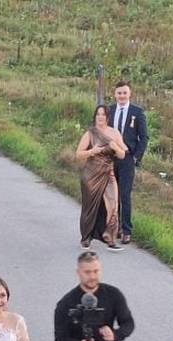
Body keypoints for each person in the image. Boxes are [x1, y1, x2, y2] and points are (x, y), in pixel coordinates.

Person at [76, 105, 126, 250]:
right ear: (95, 116)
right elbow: (78, 154)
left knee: (113, 204)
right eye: (98, 114)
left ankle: (110, 238)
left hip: (108, 173)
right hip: (91, 174)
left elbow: (122, 154)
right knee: (90, 207)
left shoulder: (114, 133)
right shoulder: (90, 134)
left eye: (103, 114)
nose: (100, 117)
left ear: (107, 117)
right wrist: (92, 151)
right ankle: (86, 237)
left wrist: (116, 148)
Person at [107, 81, 148, 244]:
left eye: (124, 93)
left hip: (128, 158)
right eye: (119, 93)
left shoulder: (137, 112)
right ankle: (114, 226)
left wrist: (136, 157)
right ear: (115, 95)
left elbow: (144, 137)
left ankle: (126, 229)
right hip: (111, 158)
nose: (122, 96)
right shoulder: (109, 110)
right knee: (112, 194)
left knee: (124, 194)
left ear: (129, 94)